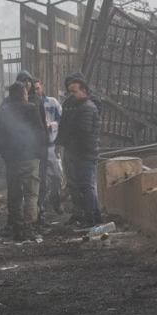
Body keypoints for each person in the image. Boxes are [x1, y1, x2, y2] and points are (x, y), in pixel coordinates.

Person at [0, 81, 46, 242]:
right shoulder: (31, 108)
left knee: (14, 194)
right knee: (31, 193)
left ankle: (18, 228)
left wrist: (5, 153)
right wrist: (37, 151)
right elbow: (40, 132)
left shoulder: (3, 112)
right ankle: (28, 227)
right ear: (24, 94)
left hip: (11, 160)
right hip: (29, 158)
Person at [57, 74, 102, 227]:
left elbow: (82, 131)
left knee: (86, 186)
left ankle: (90, 218)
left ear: (83, 90)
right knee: (84, 185)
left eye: (74, 91)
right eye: (69, 91)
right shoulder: (79, 106)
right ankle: (94, 216)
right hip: (80, 152)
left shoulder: (86, 108)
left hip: (84, 152)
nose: (71, 95)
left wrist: (70, 142)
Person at [33, 79, 64, 216]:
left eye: (38, 88)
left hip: (51, 144)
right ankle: (41, 205)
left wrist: (52, 124)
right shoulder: (31, 104)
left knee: (57, 175)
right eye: (34, 89)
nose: (36, 91)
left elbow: (62, 119)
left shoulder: (52, 102)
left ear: (42, 87)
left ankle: (56, 199)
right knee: (41, 177)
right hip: (38, 146)